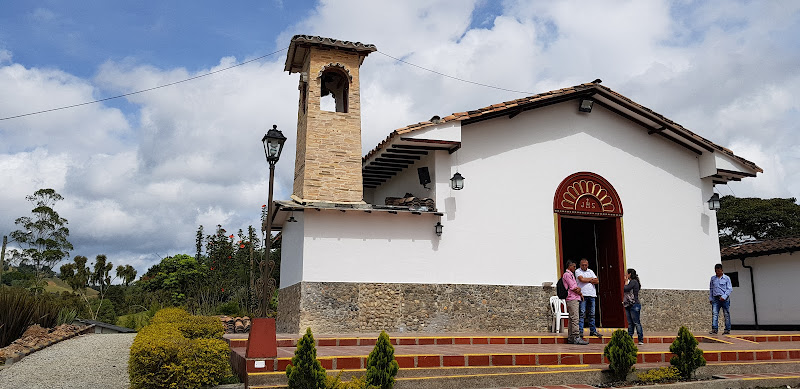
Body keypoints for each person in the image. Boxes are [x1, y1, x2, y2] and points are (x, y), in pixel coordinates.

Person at [576, 258, 602, 339]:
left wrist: (589, 280)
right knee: (582, 313)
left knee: (592, 314)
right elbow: (581, 279)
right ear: (580, 265)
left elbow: (597, 281)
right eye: (582, 265)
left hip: (592, 295)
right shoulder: (578, 271)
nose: (584, 266)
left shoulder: (590, 271)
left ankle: (593, 330)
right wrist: (591, 279)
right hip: (583, 295)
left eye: (586, 265)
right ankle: (580, 331)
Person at [563, 260, 588, 345]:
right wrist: (580, 292)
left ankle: (571, 338)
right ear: (569, 266)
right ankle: (576, 336)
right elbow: (573, 287)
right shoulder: (567, 275)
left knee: (572, 318)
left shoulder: (571, 275)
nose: (575, 268)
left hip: (574, 297)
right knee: (575, 318)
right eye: (573, 266)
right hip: (572, 298)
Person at [709, 263, 733, 335]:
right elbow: (711, 289)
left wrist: (724, 296)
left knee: (726, 314)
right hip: (715, 299)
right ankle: (714, 329)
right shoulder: (713, 278)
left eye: (719, 271)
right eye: (716, 271)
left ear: (722, 270)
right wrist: (711, 298)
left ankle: (727, 329)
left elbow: (729, 289)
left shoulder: (726, 278)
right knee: (715, 313)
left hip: (724, 299)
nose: (717, 272)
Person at [623, 268, 643, 345]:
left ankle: (640, 339)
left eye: (626, 273)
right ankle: (629, 337)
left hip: (634, 305)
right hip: (628, 304)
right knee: (630, 323)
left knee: (636, 322)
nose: (625, 275)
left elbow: (626, 288)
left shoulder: (633, 282)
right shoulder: (633, 282)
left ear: (630, 274)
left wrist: (625, 281)